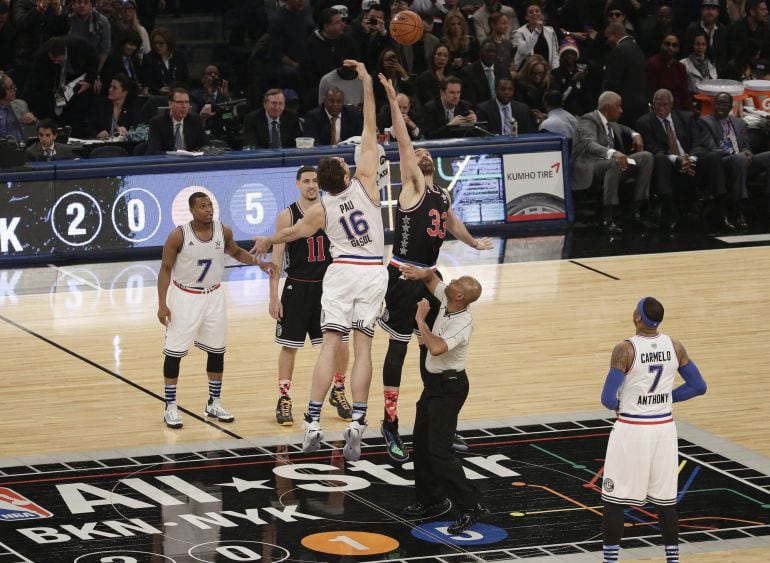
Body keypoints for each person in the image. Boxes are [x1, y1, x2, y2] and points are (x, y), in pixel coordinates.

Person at [252, 59, 386, 462]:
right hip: (372, 272)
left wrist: (266, 239)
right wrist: (365, 82)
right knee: (361, 349)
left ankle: (311, 421)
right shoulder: (365, 183)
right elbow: (369, 125)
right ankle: (358, 424)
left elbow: (290, 234)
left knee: (330, 345)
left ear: (321, 184)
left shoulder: (321, 210)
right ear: (345, 172)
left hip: (340, 274)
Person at [378, 73, 492, 461]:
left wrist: (474, 242)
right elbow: (404, 141)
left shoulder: (440, 193)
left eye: (426, 152)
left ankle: (438, 421)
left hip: (430, 275)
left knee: (437, 350)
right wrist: (393, 100)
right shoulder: (411, 186)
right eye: (417, 151)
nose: (421, 153)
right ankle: (389, 424)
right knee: (398, 352)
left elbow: (450, 220)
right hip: (402, 274)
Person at [600, 296, 708, 563]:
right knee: (665, 501)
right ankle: (673, 559)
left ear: (638, 317)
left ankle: (610, 561)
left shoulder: (625, 349)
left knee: (614, 500)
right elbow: (699, 386)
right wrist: (666, 398)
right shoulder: (674, 345)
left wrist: (622, 404)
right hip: (664, 429)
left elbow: (607, 398)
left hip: (632, 429)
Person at [157, 192, 273, 429]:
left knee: (217, 351)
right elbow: (165, 269)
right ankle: (170, 406)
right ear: (191, 211)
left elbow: (236, 252)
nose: (208, 209)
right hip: (184, 297)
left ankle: (214, 402)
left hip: (214, 296)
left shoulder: (223, 231)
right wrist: (161, 304)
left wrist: (258, 263)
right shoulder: (178, 235)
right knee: (174, 353)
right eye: (202, 206)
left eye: (210, 205)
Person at [398, 262, 487, 535]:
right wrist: (418, 271)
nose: (452, 281)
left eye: (458, 283)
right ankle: (431, 500)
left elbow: (435, 348)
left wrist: (420, 320)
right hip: (434, 387)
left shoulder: (462, 322)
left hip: (450, 389)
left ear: (460, 296)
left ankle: (471, 507)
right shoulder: (448, 300)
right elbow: (430, 279)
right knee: (422, 444)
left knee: (440, 452)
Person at [269, 165, 352, 426]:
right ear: (297, 184)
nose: (311, 185)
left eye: (315, 181)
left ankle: (338, 391)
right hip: (297, 286)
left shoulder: (332, 209)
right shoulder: (287, 215)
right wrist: (273, 296)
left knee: (340, 343)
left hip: (329, 288)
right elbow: (277, 257)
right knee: (289, 347)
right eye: (306, 181)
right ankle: (284, 398)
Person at [635, 88, 722, 231]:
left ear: (671, 105)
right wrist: (678, 160)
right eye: (657, 104)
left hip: (690, 160)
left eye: (664, 104)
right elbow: (652, 148)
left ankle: (720, 209)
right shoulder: (645, 122)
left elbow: (697, 143)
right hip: (669, 162)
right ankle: (671, 212)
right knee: (660, 158)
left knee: (714, 156)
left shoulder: (686, 118)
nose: (660, 108)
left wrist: (690, 159)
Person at [570, 90, 654, 233]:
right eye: (619, 106)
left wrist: (636, 135)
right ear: (608, 108)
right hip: (590, 166)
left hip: (609, 164)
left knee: (646, 157)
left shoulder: (611, 122)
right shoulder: (588, 120)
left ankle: (635, 211)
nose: (621, 110)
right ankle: (607, 218)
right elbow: (590, 144)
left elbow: (624, 128)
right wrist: (614, 153)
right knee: (614, 162)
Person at [698, 91, 770, 229]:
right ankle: (738, 208)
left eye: (724, 104)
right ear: (714, 104)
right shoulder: (705, 121)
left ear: (730, 106)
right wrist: (736, 154)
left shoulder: (739, 122)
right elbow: (711, 146)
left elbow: (745, 146)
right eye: (718, 103)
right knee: (739, 159)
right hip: (722, 162)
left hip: (742, 159)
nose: (720, 107)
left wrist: (747, 153)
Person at [146, 87, 208, 154]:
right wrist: (175, 155)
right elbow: (154, 151)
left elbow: (206, 146)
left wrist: (198, 152)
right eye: (179, 102)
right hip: (168, 162)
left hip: (189, 162)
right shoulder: (157, 122)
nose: (184, 106)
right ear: (170, 104)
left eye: (186, 102)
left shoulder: (195, 120)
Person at [86, 72, 140, 139]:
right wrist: (97, 134)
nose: (110, 89)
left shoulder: (132, 108)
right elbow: (89, 127)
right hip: (100, 145)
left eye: (114, 88)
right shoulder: (100, 104)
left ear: (124, 93)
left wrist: (128, 133)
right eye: (110, 86)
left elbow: (137, 130)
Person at [0, 72, 37, 143]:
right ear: (1, 92)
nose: (15, 89)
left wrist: (34, 121)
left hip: (24, 148)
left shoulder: (21, 104)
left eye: (14, 85)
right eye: (11, 87)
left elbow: (36, 132)